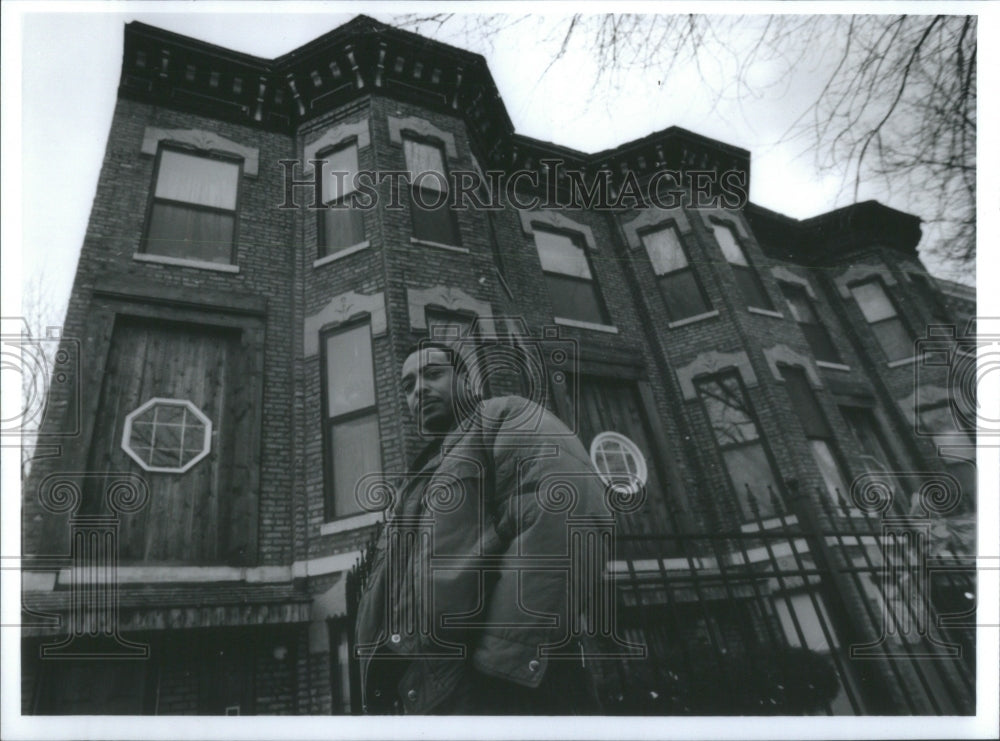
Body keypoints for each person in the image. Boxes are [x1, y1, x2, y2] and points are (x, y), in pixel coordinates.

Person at [354, 341, 608, 714]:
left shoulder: (505, 416)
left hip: (507, 690)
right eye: (407, 386)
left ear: (467, 381)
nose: (418, 389)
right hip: (441, 694)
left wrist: (502, 663)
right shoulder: (420, 476)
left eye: (433, 373)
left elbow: (566, 514)